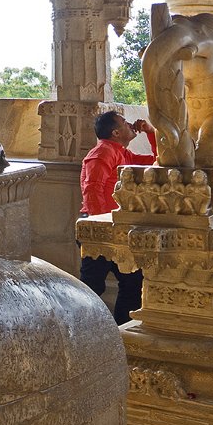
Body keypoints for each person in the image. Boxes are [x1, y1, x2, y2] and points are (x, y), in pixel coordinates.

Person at [79, 110, 157, 323]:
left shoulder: (123, 153)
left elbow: (157, 163)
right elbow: (92, 188)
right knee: (92, 287)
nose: (131, 124)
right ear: (115, 132)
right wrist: (102, 224)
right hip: (101, 228)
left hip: (118, 228)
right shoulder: (103, 151)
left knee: (132, 284)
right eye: (124, 122)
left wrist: (151, 132)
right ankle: (84, 330)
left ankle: (122, 332)